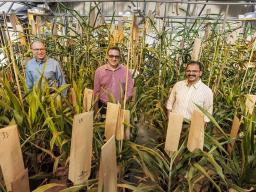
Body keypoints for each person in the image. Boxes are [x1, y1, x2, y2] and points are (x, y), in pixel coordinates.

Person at [93, 46, 134, 115]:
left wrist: (123, 104)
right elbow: (96, 92)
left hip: (120, 107)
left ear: (119, 57)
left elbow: (129, 91)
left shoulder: (126, 71)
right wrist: (97, 111)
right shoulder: (99, 71)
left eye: (116, 56)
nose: (114, 59)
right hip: (103, 107)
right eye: (111, 56)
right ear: (107, 56)